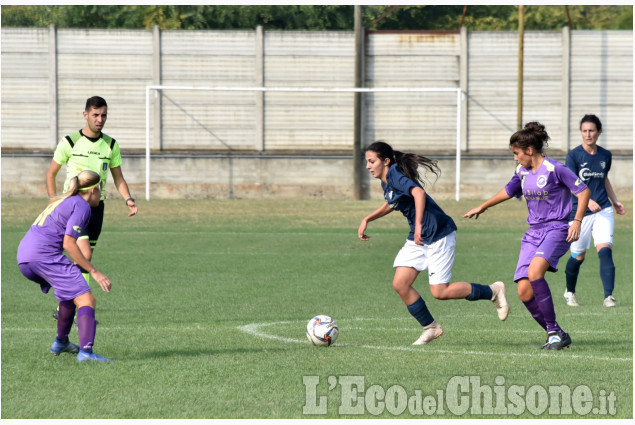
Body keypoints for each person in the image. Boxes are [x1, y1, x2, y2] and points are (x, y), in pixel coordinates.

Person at [358, 141, 509, 346]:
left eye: (371, 161)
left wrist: (419, 224)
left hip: (438, 233)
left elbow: (418, 193)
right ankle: (431, 327)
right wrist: (368, 218)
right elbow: (393, 202)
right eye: (367, 162)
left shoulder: (393, 174)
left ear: (385, 161)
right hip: (419, 236)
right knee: (401, 284)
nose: (368, 166)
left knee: (440, 292)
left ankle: (494, 291)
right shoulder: (386, 180)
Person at [464, 122, 590, 350]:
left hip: (556, 229)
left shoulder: (555, 169)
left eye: (516, 153)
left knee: (534, 272)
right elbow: (509, 191)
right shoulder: (521, 171)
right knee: (523, 291)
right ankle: (558, 333)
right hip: (533, 233)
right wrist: (483, 206)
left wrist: (577, 221)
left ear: (529, 150)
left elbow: (583, 191)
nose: (515, 158)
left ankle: (553, 333)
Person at [46, 96, 137, 319]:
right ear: (85, 114)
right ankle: (77, 304)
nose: (100, 119)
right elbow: (51, 174)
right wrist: (54, 201)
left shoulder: (111, 144)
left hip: (97, 207)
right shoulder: (70, 141)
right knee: (83, 253)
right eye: (95, 115)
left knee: (86, 258)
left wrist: (128, 198)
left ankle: (68, 304)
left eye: (103, 115)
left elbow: (119, 178)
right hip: (74, 204)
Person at [17, 170, 113, 362]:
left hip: (24, 257)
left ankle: (61, 342)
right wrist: (94, 271)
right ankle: (86, 353)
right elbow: (69, 243)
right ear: (93, 189)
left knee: (69, 295)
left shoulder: (63, 200)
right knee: (87, 300)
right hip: (44, 256)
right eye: (101, 189)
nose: (102, 194)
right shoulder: (82, 206)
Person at [562, 114, 626, 308]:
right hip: (580, 212)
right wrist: (586, 200)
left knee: (605, 249)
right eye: (584, 131)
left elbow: (604, 179)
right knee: (578, 256)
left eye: (591, 130)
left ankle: (608, 296)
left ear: (599, 132)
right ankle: (570, 292)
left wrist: (615, 201)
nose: (588, 134)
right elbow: (571, 183)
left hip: (603, 210)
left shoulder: (605, 155)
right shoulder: (573, 156)